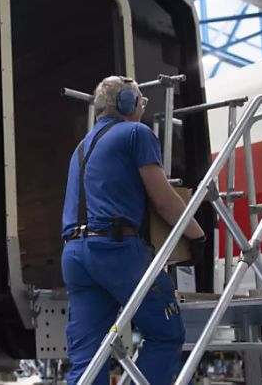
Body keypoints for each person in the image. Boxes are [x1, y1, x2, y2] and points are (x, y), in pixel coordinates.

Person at [61, 75, 206, 385]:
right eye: (141, 100)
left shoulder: (81, 148)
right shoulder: (137, 133)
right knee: (166, 334)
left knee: (88, 356)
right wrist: (196, 236)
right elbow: (164, 198)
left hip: (75, 254)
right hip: (117, 251)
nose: (142, 107)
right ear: (128, 103)